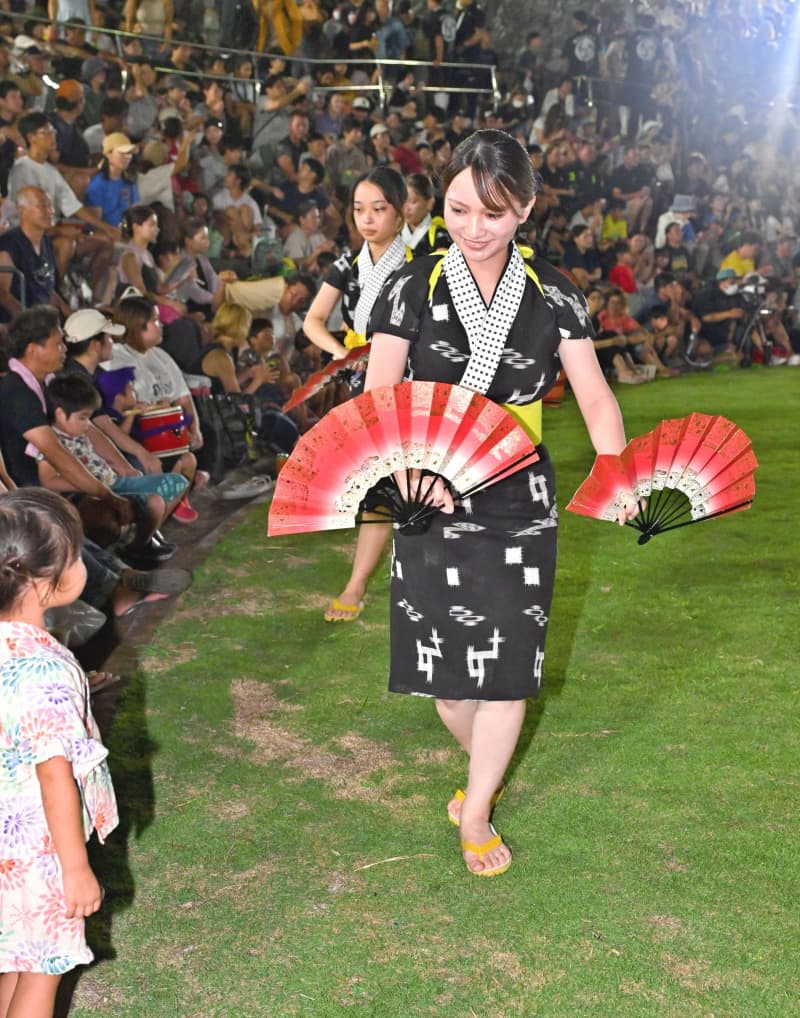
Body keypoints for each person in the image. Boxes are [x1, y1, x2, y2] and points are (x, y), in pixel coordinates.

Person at [362, 130, 637, 876]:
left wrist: (617, 474)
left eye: (494, 212)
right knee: (450, 685)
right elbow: (378, 397)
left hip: (519, 494)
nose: (474, 228)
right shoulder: (409, 285)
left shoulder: (554, 291)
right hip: (426, 491)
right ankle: (484, 766)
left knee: (508, 669)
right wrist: (405, 474)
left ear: (525, 210)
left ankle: (477, 808)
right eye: (458, 209)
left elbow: (595, 398)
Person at [0, 488, 118, 1017]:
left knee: (17, 960)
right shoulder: (46, 668)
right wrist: (75, 867)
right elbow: (54, 776)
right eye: (76, 554)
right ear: (46, 580)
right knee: (43, 971)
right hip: (38, 852)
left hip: (5, 844)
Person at [303, 166, 408, 622]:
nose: (367, 219)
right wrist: (344, 354)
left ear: (400, 213)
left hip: (412, 383)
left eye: (378, 209)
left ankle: (414, 574)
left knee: (420, 483)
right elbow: (313, 320)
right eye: (359, 209)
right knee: (378, 486)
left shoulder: (421, 264)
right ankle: (357, 583)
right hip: (364, 386)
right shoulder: (347, 264)